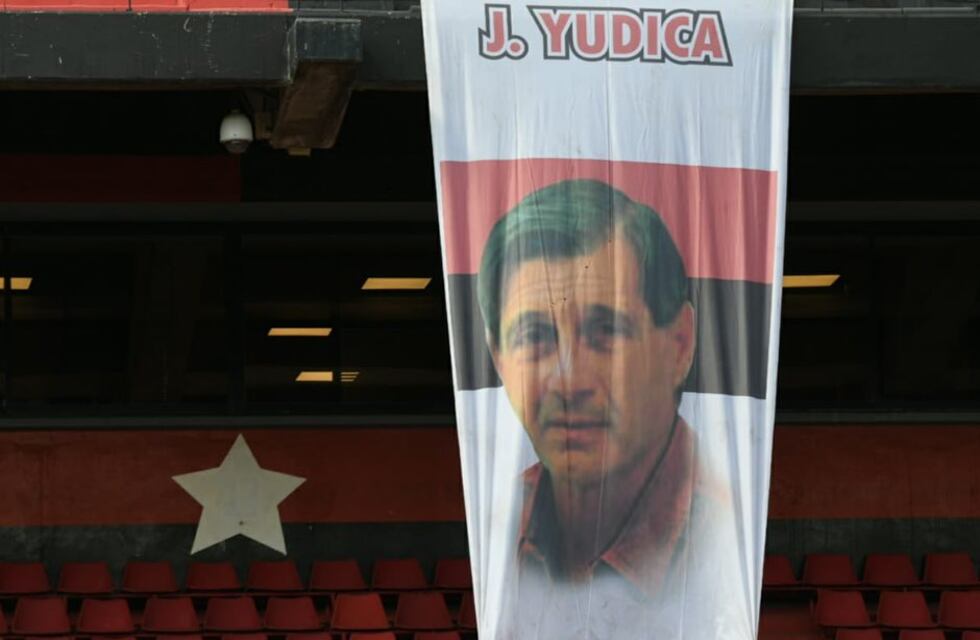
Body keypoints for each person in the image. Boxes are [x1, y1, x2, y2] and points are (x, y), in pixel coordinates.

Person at [476, 179, 746, 638]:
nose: (569, 382)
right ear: (498, 359)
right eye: (534, 337)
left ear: (680, 345)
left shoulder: (726, 530)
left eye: (605, 332)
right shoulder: (495, 526)